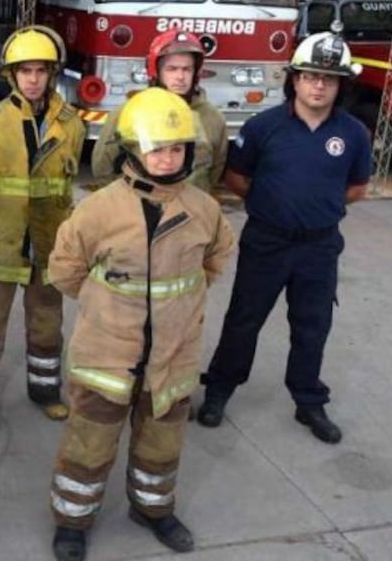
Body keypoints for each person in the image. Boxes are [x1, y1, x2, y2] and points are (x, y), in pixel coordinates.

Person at [47, 88, 235, 561]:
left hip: (172, 357)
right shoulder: (98, 209)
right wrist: (108, 306)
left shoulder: (204, 210)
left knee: (162, 441)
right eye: (156, 148)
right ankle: (72, 521)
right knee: (89, 442)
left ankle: (153, 509)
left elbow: (214, 262)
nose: (167, 158)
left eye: (176, 149)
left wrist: (175, 307)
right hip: (107, 354)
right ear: (132, 150)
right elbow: (65, 271)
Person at [197, 32, 371, 444]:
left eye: (328, 79)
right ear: (294, 79)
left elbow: (357, 188)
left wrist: (316, 209)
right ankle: (219, 389)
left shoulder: (354, 134)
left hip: (319, 246)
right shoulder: (263, 127)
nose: (318, 85)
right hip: (267, 242)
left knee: (313, 326)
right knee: (244, 319)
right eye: (310, 76)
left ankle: (308, 399)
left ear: (341, 84)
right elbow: (236, 176)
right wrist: (273, 205)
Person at [0, 25, 85, 427]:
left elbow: (69, 177)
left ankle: (45, 390)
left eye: (40, 71)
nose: (33, 79)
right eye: (24, 71)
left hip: (48, 242)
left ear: (51, 74)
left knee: (47, 322)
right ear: (11, 75)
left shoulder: (73, 124)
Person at [92, 29, 227, 195]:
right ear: (155, 71)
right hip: (138, 212)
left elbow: (215, 170)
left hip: (190, 212)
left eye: (187, 69)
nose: (180, 76)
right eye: (172, 69)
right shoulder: (128, 112)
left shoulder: (212, 118)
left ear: (196, 73)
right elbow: (103, 168)